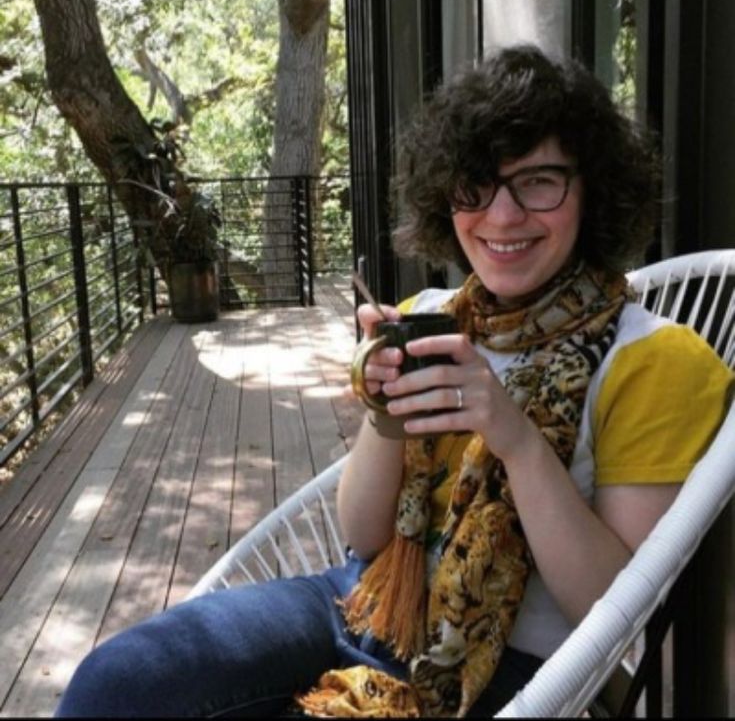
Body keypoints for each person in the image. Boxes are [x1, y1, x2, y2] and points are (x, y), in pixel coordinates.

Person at [55, 45, 734, 718]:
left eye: (537, 181)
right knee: (116, 681)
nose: (500, 217)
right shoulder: (428, 321)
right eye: (476, 184)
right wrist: (384, 419)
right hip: (364, 603)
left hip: (509, 669)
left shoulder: (658, 363)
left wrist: (516, 441)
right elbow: (366, 539)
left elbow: (611, 611)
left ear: (592, 189)